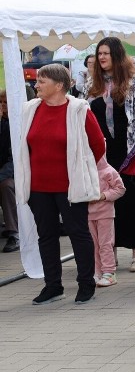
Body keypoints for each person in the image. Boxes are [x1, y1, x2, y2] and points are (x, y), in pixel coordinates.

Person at [17, 64, 106, 305]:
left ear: (58, 85)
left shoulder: (78, 109)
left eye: (41, 81)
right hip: (38, 187)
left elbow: (98, 145)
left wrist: (81, 169)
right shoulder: (30, 109)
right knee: (45, 236)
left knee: (78, 234)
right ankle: (53, 286)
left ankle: (86, 283)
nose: (36, 85)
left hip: (70, 187)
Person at [87, 36, 135, 273]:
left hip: (129, 150)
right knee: (106, 203)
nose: (102, 57)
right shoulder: (92, 84)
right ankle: (109, 253)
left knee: (133, 201)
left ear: (117, 55)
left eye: (106, 53)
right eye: (99, 53)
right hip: (102, 152)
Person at [89, 157, 126, 287]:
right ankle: (96, 272)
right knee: (93, 244)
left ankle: (109, 272)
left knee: (105, 243)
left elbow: (120, 189)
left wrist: (103, 195)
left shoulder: (108, 171)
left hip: (105, 213)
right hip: (88, 215)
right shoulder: (82, 171)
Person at [0, 90, 18, 253]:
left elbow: (15, 159)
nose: (3, 106)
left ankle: (14, 233)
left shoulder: (16, 124)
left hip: (13, 174)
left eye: (5, 103)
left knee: (6, 186)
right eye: (1, 103)